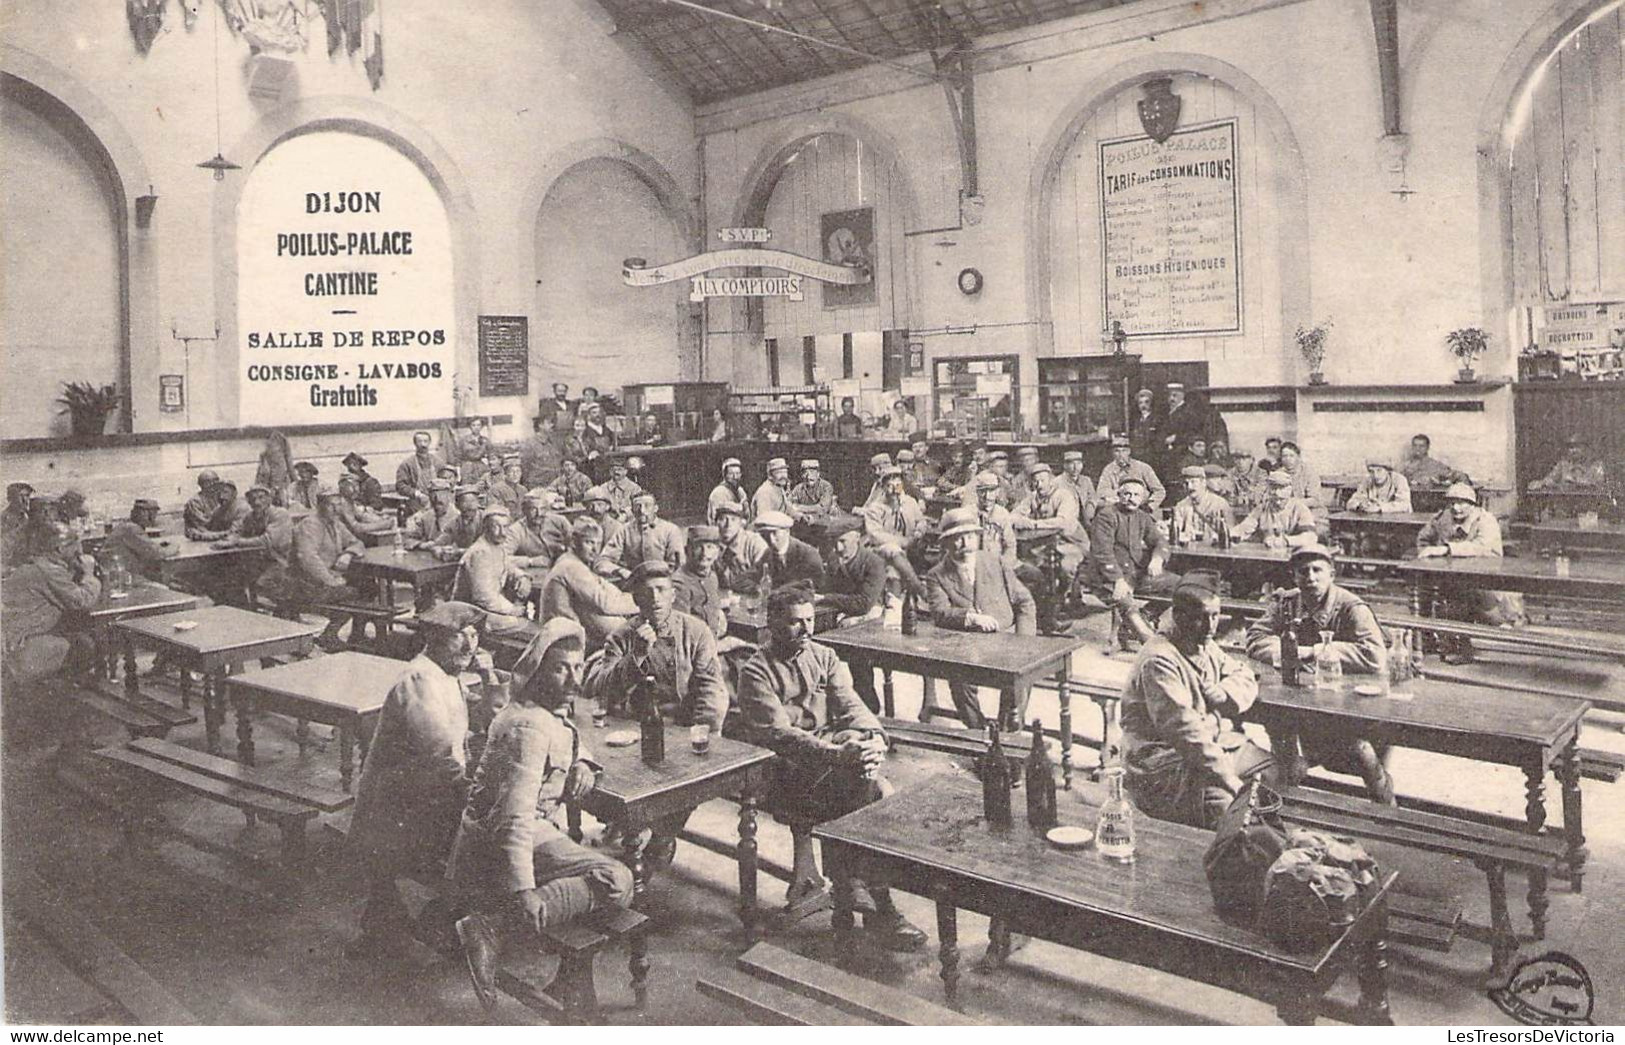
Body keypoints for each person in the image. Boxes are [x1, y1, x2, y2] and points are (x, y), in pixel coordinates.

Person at [449, 618, 635, 1013]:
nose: (574, 678)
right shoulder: (527, 728)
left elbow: (569, 732)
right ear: (537, 670)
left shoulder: (542, 710)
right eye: (561, 667)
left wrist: (584, 761)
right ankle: (490, 927)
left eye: (578, 667)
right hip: (497, 845)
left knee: (604, 868)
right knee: (616, 879)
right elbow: (514, 819)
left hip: (521, 832)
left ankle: (510, 931)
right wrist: (525, 890)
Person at [736, 587, 926, 949]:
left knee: (863, 781)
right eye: (794, 622)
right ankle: (876, 904)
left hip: (830, 761)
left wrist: (872, 738)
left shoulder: (824, 656)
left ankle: (856, 889)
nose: (805, 629)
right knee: (870, 791)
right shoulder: (755, 671)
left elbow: (852, 705)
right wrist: (838, 753)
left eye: (809, 620)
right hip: (784, 772)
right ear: (773, 623)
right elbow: (781, 735)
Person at [346, 601, 489, 960]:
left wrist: (490, 681)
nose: (471, 646)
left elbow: (475, 724)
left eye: (474, 635)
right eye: (460, 637)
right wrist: (477, 798)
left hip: (420, 798)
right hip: (397, 810)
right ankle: (448, 924)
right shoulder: (419, 680)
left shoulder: (446, 676)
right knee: (486, 837)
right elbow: (441, 758)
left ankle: (403, 924)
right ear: (434, 639)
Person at [584, 559, 732, 865]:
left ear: (673, 595)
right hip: (635, 732)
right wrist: (635, 656)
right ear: (636, 599)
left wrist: (704, 733)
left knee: (683, 785)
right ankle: (632, 825)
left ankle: (661, 838)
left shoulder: (696, 631)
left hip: (683, 728)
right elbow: (600, 689)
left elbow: (712, 690)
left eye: (662, 590)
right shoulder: (622, 637)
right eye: (647, 592)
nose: (655, 598)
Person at [1120, 580, 1275, 829]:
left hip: (1204, 748)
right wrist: (1230, 780)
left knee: (1275, 770)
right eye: (1202, 617)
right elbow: (1185, 733)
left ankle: (1259, 836)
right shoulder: (1159, 660)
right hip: (1162, 761)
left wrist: (1225, 693)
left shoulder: (1202, 640)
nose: (1211, 625)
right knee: (1226, 807)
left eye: (1215, 616)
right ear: (1179, 616)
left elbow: (1243, 673)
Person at [1243, 543, 1392, 802]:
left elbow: (1374, 656)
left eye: (1317, 570)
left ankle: (1384, 801)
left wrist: (1315, 651)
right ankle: (1290, 794)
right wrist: (1283, 652)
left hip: (1348, 699)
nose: (1310, 577)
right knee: (1277, 723)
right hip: (1301, 693)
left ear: (1331, 574)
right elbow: (1256, 636)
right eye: (1303, 571)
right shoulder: (1287, 602)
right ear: (1294, 576)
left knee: (1357, 749)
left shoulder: (1351, 607)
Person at [924, 507, 1037, 727]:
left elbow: (1025, 601)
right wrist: (970, 618)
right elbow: (939, 613)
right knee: (958, 679)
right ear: (945, 544)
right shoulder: (936, 575)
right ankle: (980, 734)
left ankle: (1007, 733)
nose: (966, 544)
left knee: (1022, 675)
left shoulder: (995, 562)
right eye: (957, 539)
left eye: (970, 536)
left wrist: (1024, 642)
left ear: (978, 537)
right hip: (966, 646)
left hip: (1005, 640)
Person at [1415, 482, 1525, 635]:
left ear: (1472, 504)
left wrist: (1446, 549)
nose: (1456, 508)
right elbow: (1423, 538)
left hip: (1485, 580)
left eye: (1461, 503)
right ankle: (1429, 635)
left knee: (1494, 617)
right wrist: (1426, 557)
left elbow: (1481, 547)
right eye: (1452, 503)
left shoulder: (1485, 520)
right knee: (1426, 589)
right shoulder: (1443, 518)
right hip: (1452, 578)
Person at [1, 521, 102, 687]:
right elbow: (82, 601)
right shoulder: (48, 571)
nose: (79, 550)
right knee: (86, 644)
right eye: (75, 545)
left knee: (80, 637)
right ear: (60, 549)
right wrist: (90, 575)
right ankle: (70, 697)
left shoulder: (36, 564)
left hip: (13, 639)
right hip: (23, 646)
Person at [1087, 477, 1181, 646]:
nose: (1131, 498)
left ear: (1143, 498)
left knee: (1178, 585)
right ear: (1119, 495)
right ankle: (1149, 643)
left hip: (1134, 574)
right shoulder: (1106, 516)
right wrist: (1117, 580)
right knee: (1126, 603)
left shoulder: (1142, 517)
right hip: (1104, 577)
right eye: (1127, 494)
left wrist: (1157, 558)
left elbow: (1159, 541)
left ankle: (1145, 616)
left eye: (1137, 495)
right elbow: (1103, 552)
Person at [287, 491, 367, 649]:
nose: (336, 510)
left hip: (326, 580)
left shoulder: (335, 524)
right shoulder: (310, 525)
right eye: (332, 505)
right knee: (355, 593)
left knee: (368, 586)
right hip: (304, 584)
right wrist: (332, 582)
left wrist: (348, 554)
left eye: (339, 505)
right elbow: (308, 559)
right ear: (320, 506)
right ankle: (331, 634)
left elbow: (357, 542)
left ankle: (354, 635)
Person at [540, 518, 637, 648]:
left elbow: (603, 586)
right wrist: (642, 602)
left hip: (567, 627)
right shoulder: (571, 566)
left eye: (598, 544)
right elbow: (605, 604)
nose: (595, 550)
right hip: (564, 636)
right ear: (574, 542)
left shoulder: (573, 562)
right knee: (630, 634)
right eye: (589, 543)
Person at [453, 509, 540, 641]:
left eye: (505, 527)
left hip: (487, 610)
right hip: (471, 614)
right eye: (496, 527)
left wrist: (522, 577)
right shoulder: (480, 553)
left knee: (529, 621)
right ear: (486, 528)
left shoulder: (496, 546)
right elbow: (484, 597)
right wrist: (512, 610)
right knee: (528, 628)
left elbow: (507, 566)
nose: (502, 532)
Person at [859, 466, 928, 597]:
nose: (895, 489)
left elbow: (921, 520)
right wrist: (903, 542)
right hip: (880, 551)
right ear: (883, 487)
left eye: (898, 484)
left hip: (911, 549)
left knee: (893, 571)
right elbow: (876, 536)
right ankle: (919, 589)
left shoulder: (910, 502)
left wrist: (919, 531)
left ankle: (900, 609)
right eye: (890, 485)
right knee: (892, 549)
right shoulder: (875, 508)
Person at [214, 486, 293, 597]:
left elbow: (267, 540)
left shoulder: (279, 514)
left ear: (269, 499)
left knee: (261, 584)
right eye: (253, 499)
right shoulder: (250, 516)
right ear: (249, 502)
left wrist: (236, 542)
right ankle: (249, 608)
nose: (257, 502)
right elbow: (237, 531)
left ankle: (286, 606)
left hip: (280, 561)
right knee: (231, 580)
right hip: (259, 561)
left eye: (261, 498)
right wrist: (229, 539)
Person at [598, 493, 684, 579]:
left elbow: (678, 565)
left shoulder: (670, 530)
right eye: (637, 506)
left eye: (647, 506)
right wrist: (620, 571)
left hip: (664, 581)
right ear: (632, 511)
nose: (642, 510)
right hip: (633, 582)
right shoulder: (624, 531)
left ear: (655, 508)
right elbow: (603, 561)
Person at [1232, 472, 1324, 548]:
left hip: (1292, 556)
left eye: (1282, 489)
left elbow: (1311, 537)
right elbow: (1244, 527)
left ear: (1289, 490)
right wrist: (1229, 534)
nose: (1277, 494)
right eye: (1273, 489)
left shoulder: (1300, 508)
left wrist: (1286, 541)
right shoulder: (1262, 508)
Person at [672, 525, 728, 639]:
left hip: (712, 641)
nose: (704, 553)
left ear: (717, 552)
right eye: (698, 547)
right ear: (687, 550)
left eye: (710, 547)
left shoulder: (711, 576)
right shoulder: (679, 583)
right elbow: (682, 632)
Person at [104, 498, 175, 581]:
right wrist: (174, 547)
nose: (154, 518)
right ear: (144, 513)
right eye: (153, 514)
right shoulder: (132, 529)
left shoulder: (125, 525)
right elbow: (157, 553)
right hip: (120, 576)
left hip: (116, 573)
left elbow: (147, 548)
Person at [756, 511, 824, 590]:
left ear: (787, 532)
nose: (771, 540)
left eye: (775, 533)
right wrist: (757, 588)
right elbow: (749, 576)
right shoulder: (767, 555)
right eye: (766, 535)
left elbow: (815, 585)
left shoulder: (808, 554)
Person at [1097, 435, 1166, 511]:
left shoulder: (1143, 467)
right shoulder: (1108, 470)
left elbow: (1160, 491)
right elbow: (1101, 493)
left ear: (1129, 451)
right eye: (1117, 451)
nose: (1121, 455)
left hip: (1142, 509)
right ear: (1112, 453)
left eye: (1124, 451)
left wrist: (1150, 506)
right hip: (1119, 510)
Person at [714, 502, 770, 595]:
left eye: (733, 519)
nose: (728, 524)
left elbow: (764, 577)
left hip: (753, 598)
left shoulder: (754, 542)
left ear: (741, 523)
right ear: (716, 523)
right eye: (723, 519)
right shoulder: (711, 544)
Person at [506, 489, 569, 569]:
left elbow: (577, 543)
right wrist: (531, 561)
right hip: (536, 574)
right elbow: (502, 557)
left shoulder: (560, 522)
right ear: (524, 511)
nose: (539, 514)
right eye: (533, 509)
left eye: (542, 509)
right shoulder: (515, 530)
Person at [1170, 465, 1234, 543]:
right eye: (1186, 483)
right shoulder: (1182, 505)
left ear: (1203, 483)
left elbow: (1231, 531)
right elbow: (1177, 528)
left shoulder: (1220, 504)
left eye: (1193, 482)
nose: (1189, 487)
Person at [1529, 435, 1610, 490]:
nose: (1573, 451)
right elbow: (1550, 479)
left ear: (1585, 448)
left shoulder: (1596, 465)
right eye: (1571, 447)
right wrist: (1542, 483)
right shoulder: (1563, 465)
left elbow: (1600, 485)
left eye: (1577, 447)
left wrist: (1578, 484)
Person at [335, 475, 395, 540]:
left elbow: (362, 516)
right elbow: (357, 528)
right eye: (355, 486)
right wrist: (383, 525)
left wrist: (381, 519)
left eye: (357, 486)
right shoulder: (342, 504)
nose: (358, 490)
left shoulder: (350, 502)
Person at [403, 479, 457, 549]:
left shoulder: (458, 517)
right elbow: (408, 540)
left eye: (441, 494)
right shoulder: (426, 517)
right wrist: (420, 544)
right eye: (433, 495)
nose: (437, 498)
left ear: (449, 496)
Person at [1400, 433, 1466, 489]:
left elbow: (1459, 476)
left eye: (1421, 446)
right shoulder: (1405, 466)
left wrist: (1439, 483)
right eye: (1415, 446)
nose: (1418, 449)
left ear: (1427, 447)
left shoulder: (1435, 465)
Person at [1347, 458, 1413, 514]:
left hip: (1400, 521)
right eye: (1371, 471)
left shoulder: (1399, 480)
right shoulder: (1367, 481)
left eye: (1379, 470)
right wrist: (1359, 505)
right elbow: (1351, 503)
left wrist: (1380, 508)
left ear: (1387, 470)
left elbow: (1404, 504)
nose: (1375, 475)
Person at [1161, 382, 1207, 458]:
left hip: (1182, 452)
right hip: (1167, 452)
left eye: (1175, 395)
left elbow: (1193, 432)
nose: (1171, 399)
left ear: (1182, 395)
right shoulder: (1165, 412)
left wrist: (1176, 438)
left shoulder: (1188, 412)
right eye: (1169, 396)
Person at [396, 431, 443, 502]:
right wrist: (416, 494)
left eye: (425, 441)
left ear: (429, 442)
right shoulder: (407, 464)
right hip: (417, 501)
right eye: (420, 441)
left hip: (437, 499)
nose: (423, 444)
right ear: (415, 443)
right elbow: (400, 485)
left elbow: (446, 478)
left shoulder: (438, 462)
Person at [1277, 441, 1323, 510]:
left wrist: (1293, 503)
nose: (1288, 459)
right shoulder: (1278, 474)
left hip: (1310, 510)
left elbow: (1315, 500)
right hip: (1286, 511)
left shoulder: (1309, 473)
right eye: (1284, 456)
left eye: (1291, 456)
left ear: (1298, 457)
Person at [707, 457, 751, 525]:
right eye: (731, 474)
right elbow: (719, 519)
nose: (735, 477)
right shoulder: (719, 493)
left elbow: (747, 514)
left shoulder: (740, 491)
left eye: (738, 473)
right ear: (725, 475)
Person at [2, 480, 33, 574]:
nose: (25, 500)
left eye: (27, 496)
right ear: (10, 499)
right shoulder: (4, 520)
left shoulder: (28, 516)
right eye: (21, 496)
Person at [581, 484, 623, 552]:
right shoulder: (582, 526)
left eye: (600, 504)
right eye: (590, 506)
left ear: (607, 506)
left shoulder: (616, 528)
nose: (595, 509)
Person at [580, 403, 618, 477]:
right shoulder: (585, 431)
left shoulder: (606, 429)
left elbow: (614, 441)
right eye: (594, 413)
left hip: (608, 461)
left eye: (599, 412)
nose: (598, 415)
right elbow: (586, 447)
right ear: (588, 415)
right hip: (593, 466)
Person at [1057, 452, 1097, 521]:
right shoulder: (1057, 482)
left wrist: (1091, 505)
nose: (1076, 468)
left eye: (1078, 463)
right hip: (1068, 520)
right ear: (1065, 465)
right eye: (1072, 464)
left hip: (1086, 519)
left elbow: (1093, 497)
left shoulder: (1086, 480)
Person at [183, 470, 222, 540]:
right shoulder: (194, 501)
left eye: (215, 481)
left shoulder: (220, 498)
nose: (212, 484)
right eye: (208, 482)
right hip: (199, 536)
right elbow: (203, 523)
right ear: (201, 485)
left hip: (218, 534)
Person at [456, 418, 495, 485]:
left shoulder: (485, 441)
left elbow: (491, 456)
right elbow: (458, 458)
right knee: (468, 488)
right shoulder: (463, 440)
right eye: (473, 425)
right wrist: (458, 474)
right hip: (467, 468)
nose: (476, 427)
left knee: (484, 486)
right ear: (470, 427)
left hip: (481, 467)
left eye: (478, 425)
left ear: (481, 427)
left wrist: (491, 470)